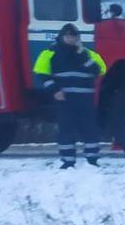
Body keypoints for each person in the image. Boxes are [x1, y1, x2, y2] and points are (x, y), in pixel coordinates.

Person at [33, 24, 107, 169]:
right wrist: (54, 90)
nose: (71, 39)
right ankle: (68, 161)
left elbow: (99, 70)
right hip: (64, 99)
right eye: (68, 36)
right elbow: (41, 74)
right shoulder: (49, 53)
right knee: (66, 129)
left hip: (85, 99)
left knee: (90, 129)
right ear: (62, 37)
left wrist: (82, 54)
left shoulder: (87, 53)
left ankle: (92, 160)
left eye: (74, 37)